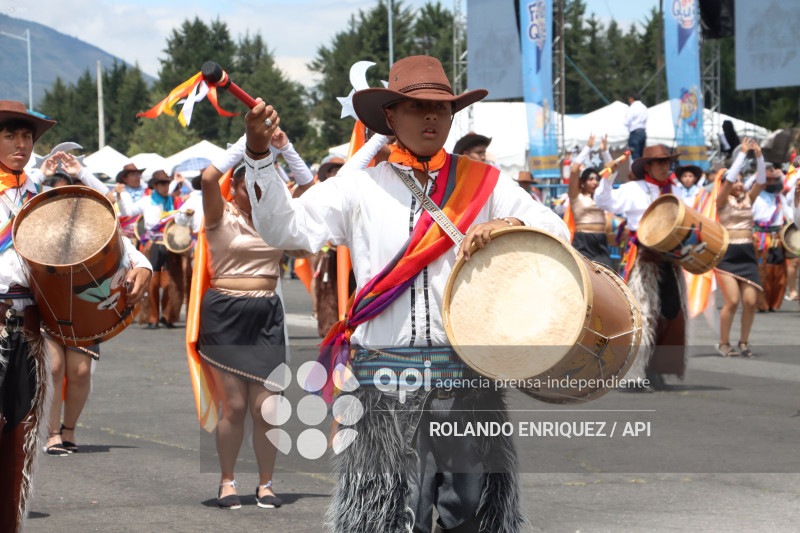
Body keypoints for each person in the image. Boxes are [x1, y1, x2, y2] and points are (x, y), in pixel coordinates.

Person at [242, 56, 568, 533]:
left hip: (466, 373)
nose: (431, 117)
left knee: (471, 511)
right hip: (383, 376)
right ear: (391, 116)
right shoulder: (357, 187)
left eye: (441, 107)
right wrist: (257, 153)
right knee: (394, 514)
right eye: (417, 107)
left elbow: (554, 230)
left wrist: (511, 224)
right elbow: (282, 227)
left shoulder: (487, 184)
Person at [0, 101, 150, 530]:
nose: (21, 143)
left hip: (28, 326)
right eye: (11, 135)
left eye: (26, 136)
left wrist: (142, 264)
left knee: (20, 439)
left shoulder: (42, 197)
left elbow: (96, 234)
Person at [196, 159, 287, 510]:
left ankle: (266, 485)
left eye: (262, 182)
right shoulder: (220, 215)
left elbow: (311, 192)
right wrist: (247, 147)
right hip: (225, 313)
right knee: (233, 407)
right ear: (233, 187)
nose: (254, 189)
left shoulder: (278, 219)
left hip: (266, 313)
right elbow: (207, 177)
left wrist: (284, 150)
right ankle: (227, 482)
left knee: (268, 409)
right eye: (246, 183)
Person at [594, 144, 685, 391]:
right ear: (648, 166)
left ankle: (656, 368)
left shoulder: (675, 190)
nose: (666, 167)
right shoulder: (633, 189)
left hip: (671, 259)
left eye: (668, 162)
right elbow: (604, 201)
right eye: (661, 163)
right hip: (644, 258)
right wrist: (609, 174)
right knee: (643, 314)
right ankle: (634, 374)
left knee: (671, 313)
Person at [713, 138, 766, 358]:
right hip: (727, 255)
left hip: (746, 255)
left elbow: (761, 182)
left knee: (751, 302)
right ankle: (724, 343)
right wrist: (742, 155)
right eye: (737, 180)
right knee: (733, 301)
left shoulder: (748, 200)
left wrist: (760, 156)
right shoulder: (722, 201)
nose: (740, 183)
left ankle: (743, 342)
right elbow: (728, 180)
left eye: (742, 180)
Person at [116, 170, 183, 328]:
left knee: (169, 283)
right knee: (151, 282)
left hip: (170, 245)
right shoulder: (146, 201)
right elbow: (127, 211)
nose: (165, 187)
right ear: (155, 185)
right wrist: (120, 196)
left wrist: (187, 215)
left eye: (167, 183)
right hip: (152, 244)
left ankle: (167, 316)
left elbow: (183, 218)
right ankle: (152, 317)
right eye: (162, 184)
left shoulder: (175, 202)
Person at [568, 135, 618, 269]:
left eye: (597, 179)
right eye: (591, 179)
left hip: (601, 241)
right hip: (583, 241)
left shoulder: (602, 197)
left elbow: (612, 170)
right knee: (582, 277)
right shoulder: (576, 196)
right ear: (583, 182)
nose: (595, 182)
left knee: (608, 276)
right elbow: (573, 170)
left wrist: (605, 151)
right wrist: (588, 148)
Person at [752, 161, 794, 312]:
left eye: (773, 180)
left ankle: (774, 303)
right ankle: (761, 303)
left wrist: (782, 176)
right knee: (761, 269)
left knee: (778, 269)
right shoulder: (754, 196)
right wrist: (756, 176)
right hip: (759, 235)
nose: (770, 182)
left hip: (777, 235)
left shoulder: (779, 198)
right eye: (767, 179)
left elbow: (790, 213)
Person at [114, 162, 147, 246]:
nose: (137, 177)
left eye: (138, 175)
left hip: (146, 231)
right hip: (126, 235)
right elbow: (120, 214)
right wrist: (118, 195)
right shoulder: (119, 193)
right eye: (133, 175)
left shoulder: (147, 192)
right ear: (125, 179)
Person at [624, 92, 648, 160]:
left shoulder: (632, 107)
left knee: (634, 155)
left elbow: (626, 122)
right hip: (643, 132)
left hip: (635, 133)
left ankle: (636, 170)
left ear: (631, 99)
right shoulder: (644, 107)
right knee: (642, 155)